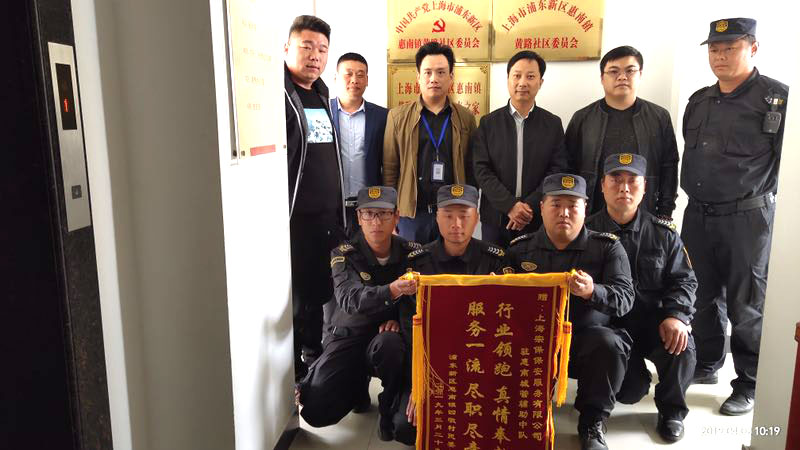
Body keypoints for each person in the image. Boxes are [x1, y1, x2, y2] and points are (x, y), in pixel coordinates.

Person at [680, 18, 789, 416]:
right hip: (698, 214)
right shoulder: (699, 100)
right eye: (714, 49)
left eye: (730, 48)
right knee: (701, 294)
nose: (720, 56)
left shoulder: (777, 99)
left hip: (748, 218)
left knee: (747, 303)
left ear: (753, 48)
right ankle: (708, 363)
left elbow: (788, 162)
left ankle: (749, 383)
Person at [506, 173, 634, 450]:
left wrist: (592, 291)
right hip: (534, 341)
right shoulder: (519, 250)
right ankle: (522, 413)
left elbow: (625, 299)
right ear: (542, 207)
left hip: (585, 343)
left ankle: (592, 421)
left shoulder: (608, 247)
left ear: (585, 208)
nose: (564, 213)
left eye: (573, 206)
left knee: (609, 343)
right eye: (556, 204)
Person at [586, 154, 697, 443]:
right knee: (630, 391)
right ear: (602, 185)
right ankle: (597, 407)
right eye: (615, 180)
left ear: (644, 187)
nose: (624, 188)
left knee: (682, 343)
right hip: (609, 327)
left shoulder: (663, 234)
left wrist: (676, 315)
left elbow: (684, 280)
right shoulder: (586, 232)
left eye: (632, 181)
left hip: (651, 324)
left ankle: (672, 412)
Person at [295, 186, 418, 441]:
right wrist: (393, 290)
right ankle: (356, 386)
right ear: (359, 217)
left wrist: (397, 317)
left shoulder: (412, 253)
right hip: (349, 335)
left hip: (387, 341)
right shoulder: (343, 254)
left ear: (396, 216)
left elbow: (418, 301)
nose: (376, 222)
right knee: (315, 410)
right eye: (368, 214)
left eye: (383, 214)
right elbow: (350, 299)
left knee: (390, 345)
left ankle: (389, 404)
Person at [394, 184, 506, 446]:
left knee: (493, 422)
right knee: (407, 428)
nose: (456, 224)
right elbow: (411, 328)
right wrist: (420, 383)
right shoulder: (417, 262)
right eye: (448, 215)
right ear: (437, 218)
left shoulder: (497, 260)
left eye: (464, 216)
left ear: (477, 218)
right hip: (433, 364)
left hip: (482, 365)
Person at [283, 15, 345, 380]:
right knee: (296, 299)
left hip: (326, 219)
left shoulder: (321, 94)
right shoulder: (280, 96)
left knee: (319, 293)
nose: (315, 56)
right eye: (306, 46)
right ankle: (294, 371)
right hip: (296, 220)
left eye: (322, 49)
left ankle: (313, 360)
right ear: (287, 48)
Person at [565, 45, 679, 219]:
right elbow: (568, 166)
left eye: (630, 71)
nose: (622, 77)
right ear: (602, 78)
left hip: (645, 215)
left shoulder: (659, 117)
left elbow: (669, 166)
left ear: (640, 74)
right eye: (614, 71)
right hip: (591, 215)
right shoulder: (583, 118)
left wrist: (665, 211)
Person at [383, 42, 477, 244]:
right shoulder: (397, 117)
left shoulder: (466, 118)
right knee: (413, 263)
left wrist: (470, 208)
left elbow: (471, 169)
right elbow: (390, 170)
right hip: (412, 216)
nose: (434, 78)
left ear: (451, 76)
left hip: (453, 213)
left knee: (451, 264)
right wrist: (390, 213)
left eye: (441, 72)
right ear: (418, 77)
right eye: (427, 72)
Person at [472, 50, 567, 247]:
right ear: (508, 79)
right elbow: (481, 170)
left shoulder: (552, 124)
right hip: (496, 218)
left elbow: (557, 170)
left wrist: (528, 207)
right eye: (517, 75)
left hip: (537, 217)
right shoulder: (489, 123)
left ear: (540, 82)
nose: (522, 83)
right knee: (493, 266)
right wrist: (510, 206)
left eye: (530, 76)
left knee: (533, 267)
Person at [330, 53, 388, 236]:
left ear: (367, 80)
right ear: (335, 78)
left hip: (369, 207)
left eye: (360, 75)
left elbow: (389, 162)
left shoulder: (383, 117)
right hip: (330, 206)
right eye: (348, 74)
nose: (354, 80)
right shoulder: (323, 112)